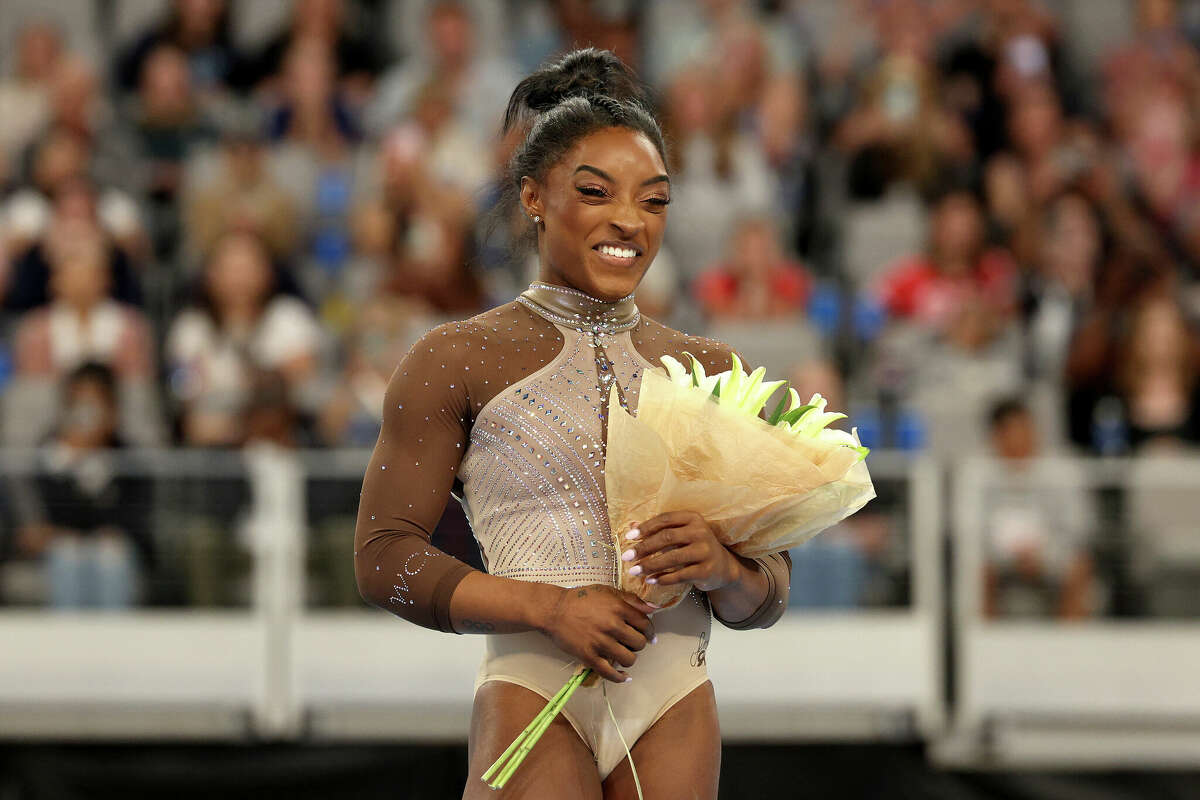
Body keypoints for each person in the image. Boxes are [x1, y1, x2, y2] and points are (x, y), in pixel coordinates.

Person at [354, 49, 792, 799]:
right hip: (530, 686)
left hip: (674, 698)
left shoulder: (708, 369)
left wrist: (724, 569)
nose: (630, 221)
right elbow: (382, 559)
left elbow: (770, 590)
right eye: (596, 192)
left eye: (654, 201)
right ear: (533, 196)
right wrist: (548, 607)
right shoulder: (456, 357)